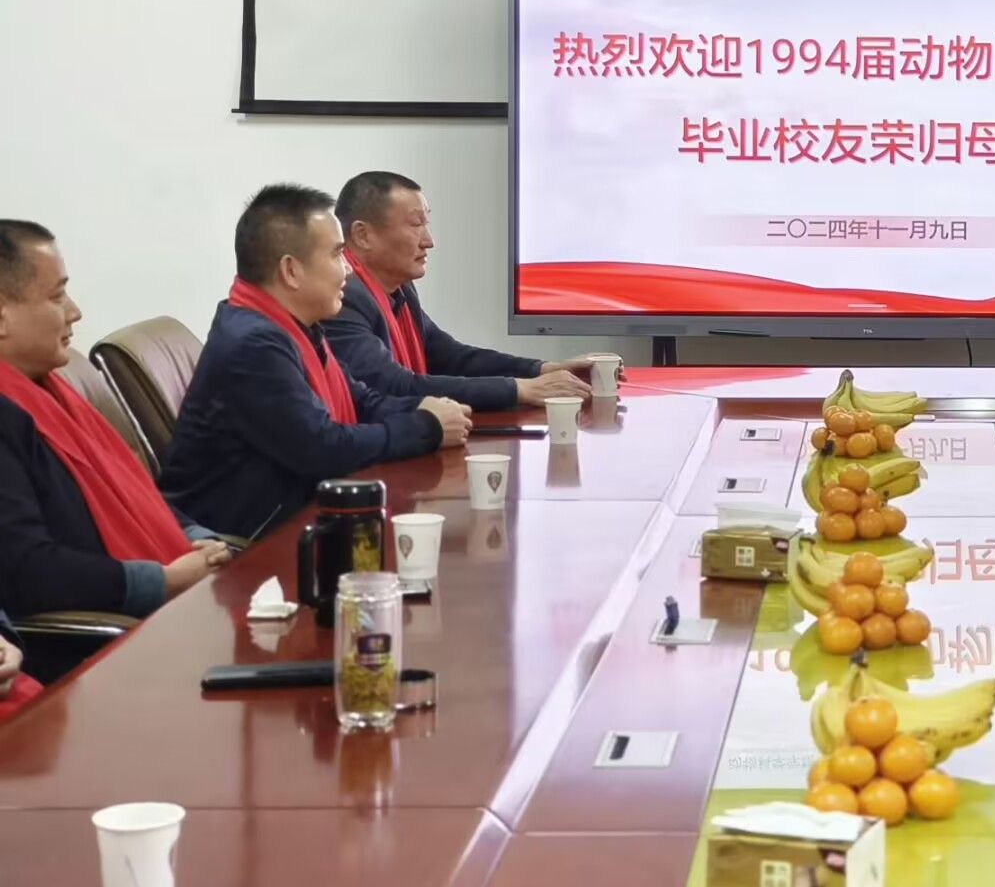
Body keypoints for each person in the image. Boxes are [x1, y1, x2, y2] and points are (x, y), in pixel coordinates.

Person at [164, 185, 472, 539]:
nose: (349, 270)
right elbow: (323, 449)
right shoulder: (252, 345)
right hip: (238, 545)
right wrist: (426, 427)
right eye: (337, 254)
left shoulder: (291, 325)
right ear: (291, 271)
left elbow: (362, 400)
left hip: (296, 516)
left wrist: (430, 409)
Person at [0, 220, 231, 621]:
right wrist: (162, 581)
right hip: (99, 636)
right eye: (57, 296)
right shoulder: (10, 416)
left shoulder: (53, 390)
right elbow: (29, 571)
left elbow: (133, 493)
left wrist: (195, 538)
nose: (75, 312)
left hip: (159, 598)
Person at [323, 171, 593, 410]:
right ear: (363, 235)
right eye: (416, 225)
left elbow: (451, 356)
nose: (429, 241)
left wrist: (542, 370)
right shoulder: (343, 296)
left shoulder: (400, 289)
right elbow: (392, 385)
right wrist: (519, 389)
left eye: (426, 225)